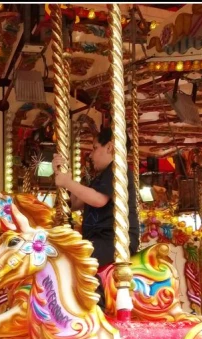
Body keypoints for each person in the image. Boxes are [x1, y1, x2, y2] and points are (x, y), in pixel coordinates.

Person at [52, 125, 139, 305]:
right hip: (99, 239)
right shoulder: (101, 176)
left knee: (74, 257)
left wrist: (68, 182)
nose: (91, 155)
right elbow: (76, 204)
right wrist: (61, 174)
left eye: (94, 148)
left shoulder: (117, 170)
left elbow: (99, 200)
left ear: (110, 147)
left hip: (114, 240)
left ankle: (97, 307)